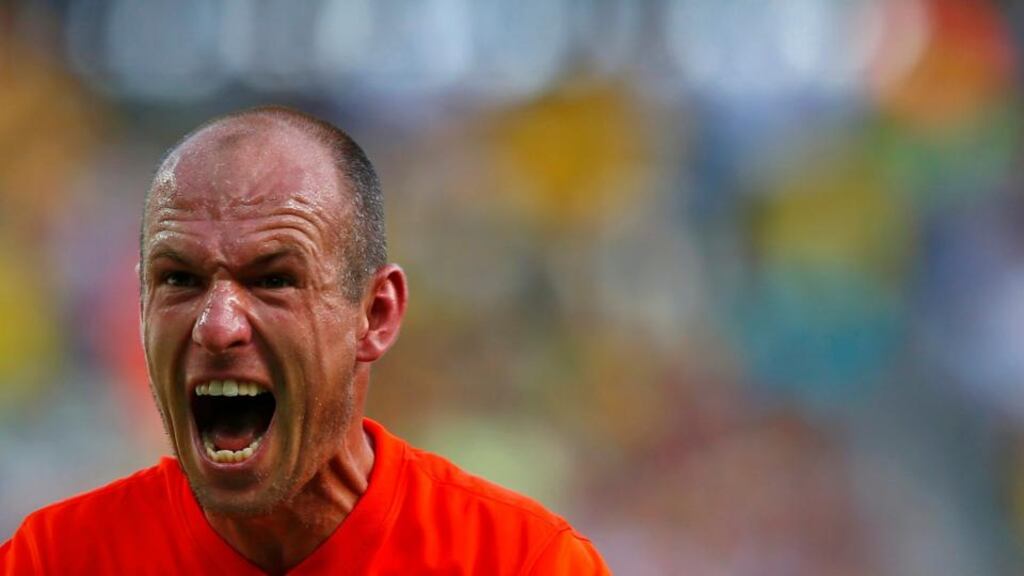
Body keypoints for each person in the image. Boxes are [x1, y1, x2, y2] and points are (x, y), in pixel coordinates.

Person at [0, 106, 609, 574]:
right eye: (178, 279)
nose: (217, 325)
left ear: (375, 314)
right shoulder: (54, 560)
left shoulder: (517, 562)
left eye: (273, 280)